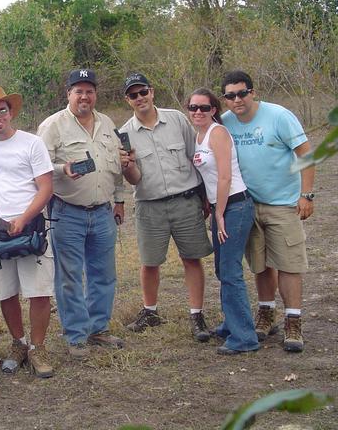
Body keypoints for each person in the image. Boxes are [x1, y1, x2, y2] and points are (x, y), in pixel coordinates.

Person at [221, 70, 315, 352]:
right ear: (225, 100)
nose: (237, 100)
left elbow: (306, 154)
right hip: (248, 205)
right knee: (260, 264)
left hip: (283, 203)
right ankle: (266, 313)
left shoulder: (279, 116)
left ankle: (293, 321)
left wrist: (306, 195)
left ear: (252, 92)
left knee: (288, 263)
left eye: (241, 93)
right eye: (230, 95)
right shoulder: (225, 123)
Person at [37, 69, 125, 360]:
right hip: (67, 212)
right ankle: (76, 335)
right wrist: (64, 169)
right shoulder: (53, 126)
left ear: (95, 94)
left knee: (103, 274)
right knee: (70, 277)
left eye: (89, 90)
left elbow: (118, 162)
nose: (84, 96)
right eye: (78, 91)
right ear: (68, 94)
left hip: (102, 212)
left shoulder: (108, 123)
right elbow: (37, 167)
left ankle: (98, 328)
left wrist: (119, 199)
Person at [119, 73, 213, 341]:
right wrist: (128, 166)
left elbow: (195, 158)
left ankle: (197, 314)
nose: (140, 98)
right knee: (150, 262)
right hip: (150, 206)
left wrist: (205, 195)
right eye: (133, 95)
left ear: (152, 92)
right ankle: (150, 312)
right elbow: (133, 179)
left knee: (192, 258)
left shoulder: (177, 119)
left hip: (186, 200)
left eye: (143, 92)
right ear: (128, 100)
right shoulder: (125, 133)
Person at [0, 86, 55, 378]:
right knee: (5, 291)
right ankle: (18, 343)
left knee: (39, 290)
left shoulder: (32, 143)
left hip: (30, 228)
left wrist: (24, 217)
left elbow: (46, 188)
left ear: (11, 112)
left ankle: (38, 348)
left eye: (2, 110)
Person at [188, 88, 259, 355]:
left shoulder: (217, 133)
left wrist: (219, 214)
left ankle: (245, 337)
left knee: (230, 272)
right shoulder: (199, 135)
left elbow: (226, 177)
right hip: (220, 206)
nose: (198, 112)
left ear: (214, 110)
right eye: (193, 107)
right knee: (222, 269)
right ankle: (232, 324)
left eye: (204, 108)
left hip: (235, 206)